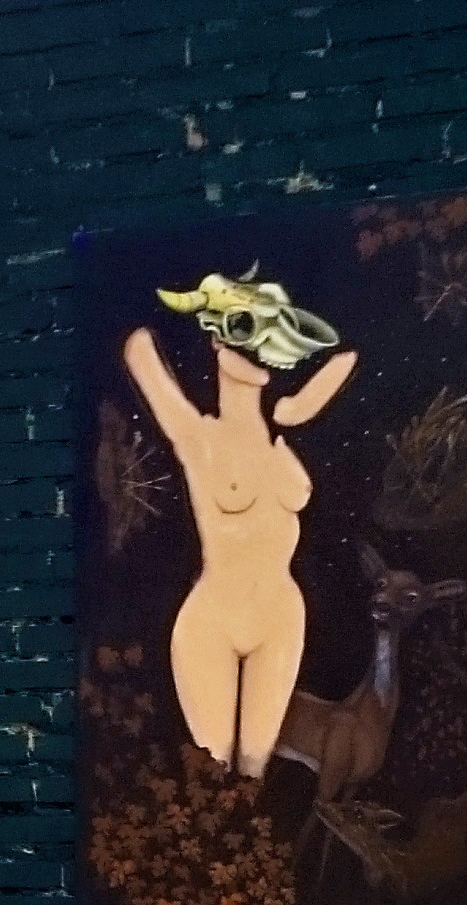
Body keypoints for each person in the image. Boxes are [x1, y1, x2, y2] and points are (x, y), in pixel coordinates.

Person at [120, 270, 360, 776]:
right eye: (245, 331)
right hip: (214, 621)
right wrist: (202, 302)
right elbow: (140, 356)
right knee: (214, 771)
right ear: (218, 342)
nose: (256, 351)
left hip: (280, 616)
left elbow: (343, 359)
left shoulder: (287, 424)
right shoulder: (199, 437)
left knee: (255, 770)